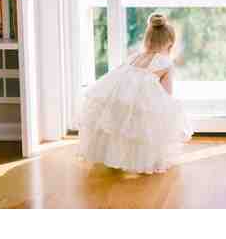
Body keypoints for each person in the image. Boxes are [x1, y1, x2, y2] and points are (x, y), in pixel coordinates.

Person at [78, 13, 193, 174]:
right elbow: (167, 93)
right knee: (149, 124)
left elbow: (122, 78)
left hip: (119, 100)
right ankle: (147, 159)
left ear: (147, 39)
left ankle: (113, 156)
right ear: (169, 43)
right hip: (141, 103)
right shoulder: (165, 63)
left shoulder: (134, 57)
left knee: (119, 127)